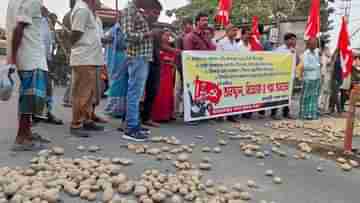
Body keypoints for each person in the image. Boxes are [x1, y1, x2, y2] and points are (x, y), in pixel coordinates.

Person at [6, 0, 50, 151]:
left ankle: (27, 132)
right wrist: (12, 57)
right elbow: (19, 28)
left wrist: (12, 57)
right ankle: (21, 137)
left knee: (28, 96)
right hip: (31, 56)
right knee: (30, 98)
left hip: (27, 54)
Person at [120, 0, 158, 141]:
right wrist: (149, 34)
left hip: (141, 57)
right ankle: (131, 128)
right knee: (134, 93)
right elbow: (127, 35)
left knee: (136, 93)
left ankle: (134, 124)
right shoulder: (129, 10)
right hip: (137, 57)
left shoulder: (135, 10)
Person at [69, 0, 106, 137]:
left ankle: (86, 120)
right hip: (84, 58)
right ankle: (76, 124)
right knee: (81, 93)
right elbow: (76, 33)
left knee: (89, 93)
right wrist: (75, 48)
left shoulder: (87, 10)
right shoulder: (82, 10)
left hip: (90, 58)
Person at [36, 6, 63, 125]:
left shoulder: (48, 26)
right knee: (40, 88)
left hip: (46, 60)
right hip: (37, 59)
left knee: (48, 87)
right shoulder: (38, 22)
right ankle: (38, 114)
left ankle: (47, 112)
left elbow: (49, 46)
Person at [141, 0, 163, 128]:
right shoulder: (141, 24)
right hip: (142, 60)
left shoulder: (157, 27)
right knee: (136, 91)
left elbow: (160, 47)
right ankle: (129, 119)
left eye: (158, 13)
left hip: (155, 61)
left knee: (152, 90)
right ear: (147, 11)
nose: (156, 15)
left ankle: (146, 117)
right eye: (155, 12)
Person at [151, 30, 180, 122]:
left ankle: (168, 114)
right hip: (160, 73)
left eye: (169, 36)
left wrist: (172, 63)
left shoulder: (171, 47)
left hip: (168, 74)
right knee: (160, 93)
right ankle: (158, 116)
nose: (168, 37)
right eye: (166, 35)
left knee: (168, 93)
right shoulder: (157, 47)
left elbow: (175, 60)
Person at [271, 33, 299, 120]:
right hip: (280, 76)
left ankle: (286, 112)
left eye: (295, 40)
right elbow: (274, 61)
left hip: (290, 76)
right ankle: (274, 113)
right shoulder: (279, 50)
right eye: (293, 39)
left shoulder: (293, 50)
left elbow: (296, 62)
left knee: (288, 96)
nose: (294, 42)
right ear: (287, 40)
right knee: (277, 95)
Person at [104, 21, 128, 119]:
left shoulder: (122, 29)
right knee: (116, 83)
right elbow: (119, 44)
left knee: (122, 83)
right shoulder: (115, 30)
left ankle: (120, 108)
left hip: (123, 57)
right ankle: (113, 108)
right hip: (117, 58)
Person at [299, 38, 321, 120]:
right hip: (308, 78)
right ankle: (304, 114)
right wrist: (317, 66)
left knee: (314, 96)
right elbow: (305, 66)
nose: (315, 45)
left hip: (317, 78)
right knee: (306, 97)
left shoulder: (317, 52)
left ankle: (312, 114)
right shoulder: (305, 54)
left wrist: (321, 56)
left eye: (316, 43)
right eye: (313, 44)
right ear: (308, 45)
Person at [319, 40, 333, 114]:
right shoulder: (317, 51)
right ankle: (319, 106)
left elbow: (330, 62)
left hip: (326, 74)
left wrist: (328, 58)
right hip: (318, 74)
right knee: (319, 91)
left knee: (325, 91)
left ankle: (323, 106)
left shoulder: (327, 52)